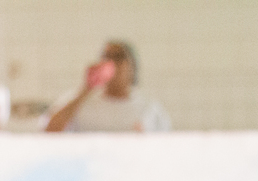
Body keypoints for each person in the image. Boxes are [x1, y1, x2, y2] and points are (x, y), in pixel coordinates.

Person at [42, 42, 170, 133]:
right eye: (106, 56)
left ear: (132, 67)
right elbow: (49, 130)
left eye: (118, 57)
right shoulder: (79, 100)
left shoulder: (149, 108)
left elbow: (163, 151)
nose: (111, 62)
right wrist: (86, 89)